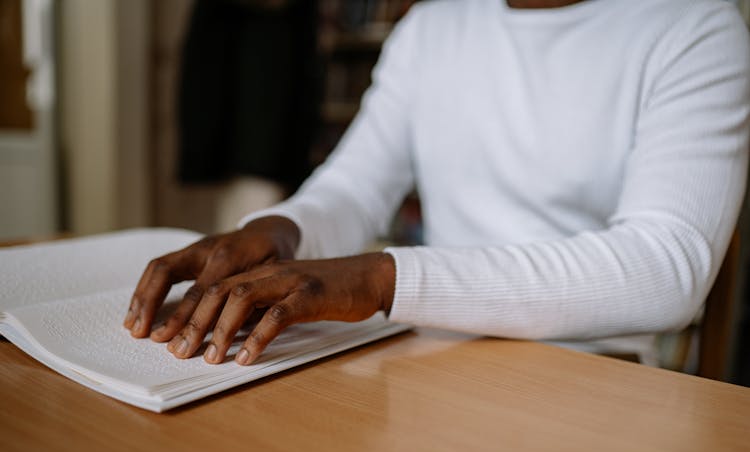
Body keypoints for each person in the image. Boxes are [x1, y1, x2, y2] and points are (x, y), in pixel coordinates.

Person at [124, 0, 750, 367]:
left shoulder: (695, 27)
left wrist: (380, 278)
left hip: (594, 376)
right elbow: (354, 187)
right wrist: (278, 231)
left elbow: (667, 269)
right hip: (429, 355)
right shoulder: (432, 24)